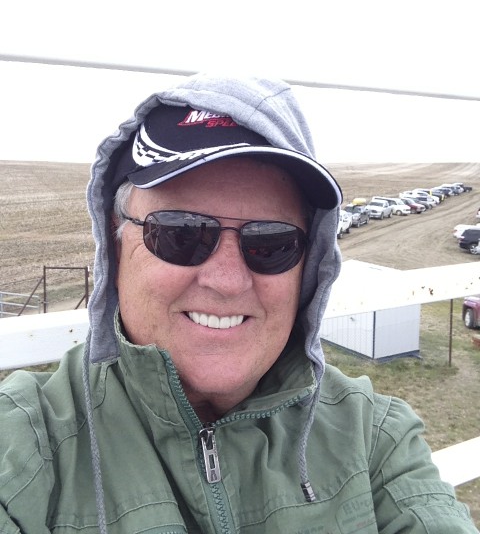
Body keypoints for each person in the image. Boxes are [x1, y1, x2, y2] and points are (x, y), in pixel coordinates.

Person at [0, 74, 478, 534]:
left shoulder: (373, 436)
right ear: (115, 240)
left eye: (271, 244)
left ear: (308, 266)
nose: (228, 281)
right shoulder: (23, 448)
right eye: (180, 233)